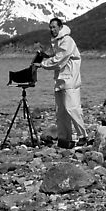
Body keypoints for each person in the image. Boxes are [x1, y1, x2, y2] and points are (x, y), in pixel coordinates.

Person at [33, 17, 88, 148]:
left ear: (60, 27)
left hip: (70, 80)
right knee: (61, 111)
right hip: (60, 80)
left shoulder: (67, 41)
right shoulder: (57, 42)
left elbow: (59, 60)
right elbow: (55, 57)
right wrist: (44, 55)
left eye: (54, 27)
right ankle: (64, 138)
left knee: (72, 108)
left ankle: (83, 136)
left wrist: (42, 64)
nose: (52, 29)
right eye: (50, 27)